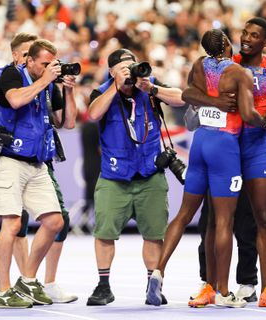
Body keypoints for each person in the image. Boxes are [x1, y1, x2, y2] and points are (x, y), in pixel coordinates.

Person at [182, 18, 266, 307]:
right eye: (244, 33)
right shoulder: (223, 62)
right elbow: (191, 93)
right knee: (212, 220)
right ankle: (210, 285)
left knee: (262, 218)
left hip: (254, 150)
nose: (246, 38)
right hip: (223, 148)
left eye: (254, 35)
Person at [147, 29, 264, 308]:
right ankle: (222, 291)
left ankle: (158, 270)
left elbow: (188, 93)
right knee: (224, 221)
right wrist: (265, 122)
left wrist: (211, 102)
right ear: (225, 45)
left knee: (184, 214)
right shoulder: (238, 73)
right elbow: (247, 114)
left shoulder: (199, 65)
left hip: (201, 141)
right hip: (225, 145)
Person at [86, 48, 184, 306]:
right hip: (114, 176)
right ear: (111, 72)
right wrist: (116, 87)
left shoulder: (147, 88)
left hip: (150, 173)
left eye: (132, 66)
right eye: (123, 68)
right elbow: (93, 114)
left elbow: (181, 98)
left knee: (154, 234)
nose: (129, 72)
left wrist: (150, 87)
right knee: (105, 232)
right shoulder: (103, 90)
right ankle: (103, 285)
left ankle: (153, 284)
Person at [0, 33, 78, 304]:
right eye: (45, 63)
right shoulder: (9, 76)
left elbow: (68, 122)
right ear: (27, 60)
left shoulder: (49, 83)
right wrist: (44, 81)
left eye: (54, 63)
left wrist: (68, 89)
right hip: (10, 159)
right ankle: (3, 292)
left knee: (55, 221)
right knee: (12, 224)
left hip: (38, 162)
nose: (52, 67)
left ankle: (27, 280)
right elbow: (14, 101)